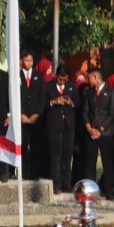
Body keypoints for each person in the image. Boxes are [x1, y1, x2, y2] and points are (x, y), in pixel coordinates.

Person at [82, 67, 114, 198]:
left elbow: (112, 113)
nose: (88, 80)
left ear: (96, 77)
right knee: (90, 162)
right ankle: (90, 191)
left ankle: (109, 190)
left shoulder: (111, 92)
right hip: (91, 132)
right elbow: (85, 112)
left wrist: (101, 128)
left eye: (89, 77)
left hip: (106, 133)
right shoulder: (89, 93)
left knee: (107, 162)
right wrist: (89, 128)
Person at [43, 67, 76, 195]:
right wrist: (53, 102)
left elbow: (77, 104)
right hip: (54, 125)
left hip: (68, 126)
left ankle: (66, 185)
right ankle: (55, 184)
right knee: (55, 156)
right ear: (56, 76)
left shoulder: (72, 86)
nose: (63, 81)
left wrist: (70, 102)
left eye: (65, 79)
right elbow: (43, 104)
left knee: (67, 157)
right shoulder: (48, 86)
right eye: (60, 79)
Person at [17, 48, 46, 181]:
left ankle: (35, 172)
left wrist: (37, 114)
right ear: (21, 61)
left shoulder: (39, 76)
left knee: (36, 146)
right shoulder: (17, 76)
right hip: (21, 118)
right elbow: (14, 96)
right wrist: (21, 114)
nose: (29, 63)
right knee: (22, 146)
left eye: (31, 60)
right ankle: (23, 172)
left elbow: (42, 97)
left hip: (35, 118)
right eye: (26, 60)